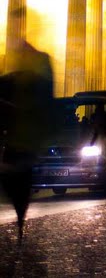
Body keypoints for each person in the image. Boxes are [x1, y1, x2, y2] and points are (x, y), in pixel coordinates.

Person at [0, 38, 55, 242]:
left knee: (18, 181)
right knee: (15, 180)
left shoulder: (35, 80)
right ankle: (20, 218)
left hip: (26, 142)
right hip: (19, 141)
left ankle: (21, 219)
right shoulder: (19, 79)